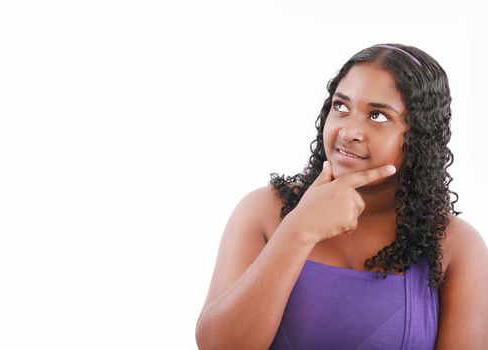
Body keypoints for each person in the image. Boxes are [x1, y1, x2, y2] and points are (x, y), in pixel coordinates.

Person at [194, 43, 488, 349]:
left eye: (377, 116)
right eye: (341, 106)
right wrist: (298, 230)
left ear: (420, 135)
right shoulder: (263, 211)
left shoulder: (455, 245)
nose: (348, 132)